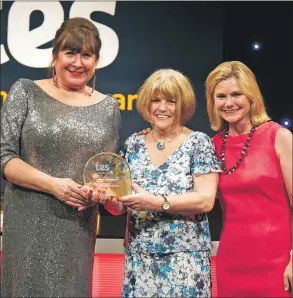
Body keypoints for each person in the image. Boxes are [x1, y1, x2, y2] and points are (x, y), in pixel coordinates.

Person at [0, 17, 121, 297]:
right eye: (70, 53)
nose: (78, 63)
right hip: (27, 224)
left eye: (87, 55)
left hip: (77, 229)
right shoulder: (25, 92)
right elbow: (4, 158)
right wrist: (53, 184)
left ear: (96, 61)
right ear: (55, 56)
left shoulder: (108, 107)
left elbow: (107, 172)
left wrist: (101, 193)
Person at [107, 69, 221, 297]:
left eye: (171, 101)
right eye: (155, 100)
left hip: (185, 260)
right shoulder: (134, 144)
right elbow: (120, 207)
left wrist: (157, 203)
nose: (162, 108)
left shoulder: (198, 143)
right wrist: (107, 200)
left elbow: (205, 200)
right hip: (140, 259)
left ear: (183, 105)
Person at [206, 61, 292, 297]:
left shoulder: (279, 137)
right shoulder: (213, 145)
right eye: (221, 96)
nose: (229, 103)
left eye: (236, 94)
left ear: (251, 96)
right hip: (231, 260)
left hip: (277, 261)